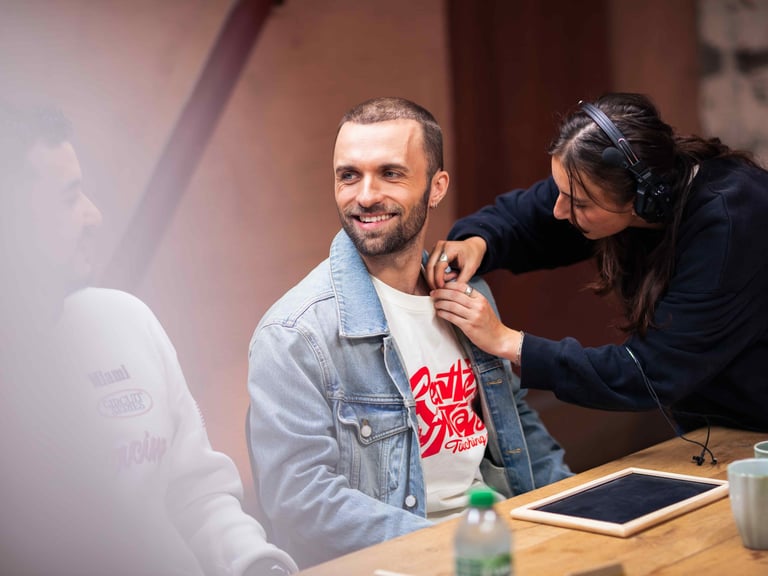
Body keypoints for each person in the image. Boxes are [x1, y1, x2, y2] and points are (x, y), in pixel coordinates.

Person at [246, 96, 571, 569]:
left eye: (390, 173)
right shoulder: (294, 334)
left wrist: (573, 514)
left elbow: (515, 423)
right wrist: (453, 545)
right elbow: (302, 503)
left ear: (437, 187)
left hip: (501, 546)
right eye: (349, 175)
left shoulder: (468, 294)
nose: (365, 196)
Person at [0, 103, 298, 576]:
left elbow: (199, 496)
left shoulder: (125, 320)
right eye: (68, 198)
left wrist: (257, 566)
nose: (94, 216)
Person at [426, 92, 768, 435]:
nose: (559, 211)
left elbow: (649, 372)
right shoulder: (623, 185)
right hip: (715, 427)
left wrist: (507, 342)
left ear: (643, 199)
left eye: (579, 204)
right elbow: (525, 218)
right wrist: (477, 241)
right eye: (561, 192)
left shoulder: (731, 224)